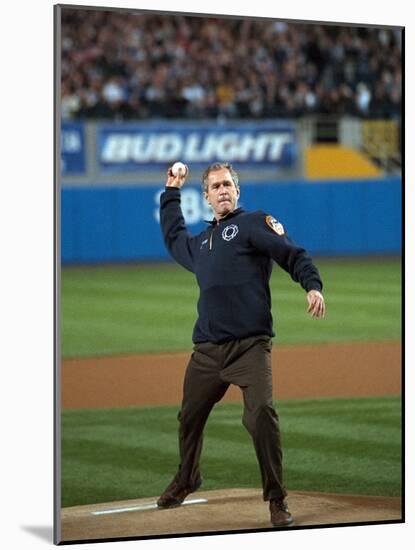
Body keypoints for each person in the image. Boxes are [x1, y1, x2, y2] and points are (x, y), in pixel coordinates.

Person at [157, 162, 325, 527]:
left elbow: (292, 254)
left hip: (250, 347)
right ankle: (188, 477)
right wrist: (171, 191)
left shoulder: (251, 224)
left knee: (261, 414)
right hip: (207, 352)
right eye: (215, 186)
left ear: (237, 190)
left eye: (227, 184)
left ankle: (277, 499)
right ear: (204, 196)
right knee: (189, 417)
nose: (222, 190)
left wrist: (311, 284)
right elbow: (173, 237)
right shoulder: (201, 243)